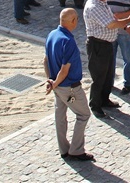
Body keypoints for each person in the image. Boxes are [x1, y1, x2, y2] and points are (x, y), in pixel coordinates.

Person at [44, 8, 93, 162]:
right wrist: (55, 84)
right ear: (72, 21)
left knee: (60, 115)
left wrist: (50, 81)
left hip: (57, 86)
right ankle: (76, 150)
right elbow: (65, 70)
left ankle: (63, 149)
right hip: (69, 88)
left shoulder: (52, 35)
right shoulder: (68, 41)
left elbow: (45, 60)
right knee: (84, 114)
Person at [83, 0, 130, 118]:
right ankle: (95, 105)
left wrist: (125, 26)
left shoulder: (102, 3)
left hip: (106, 44)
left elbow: (113, 18)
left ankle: (105, 100)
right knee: (99, 77)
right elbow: (111, 24)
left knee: (107, 75)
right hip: (98, 45)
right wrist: (128, 20)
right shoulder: (94, 7)